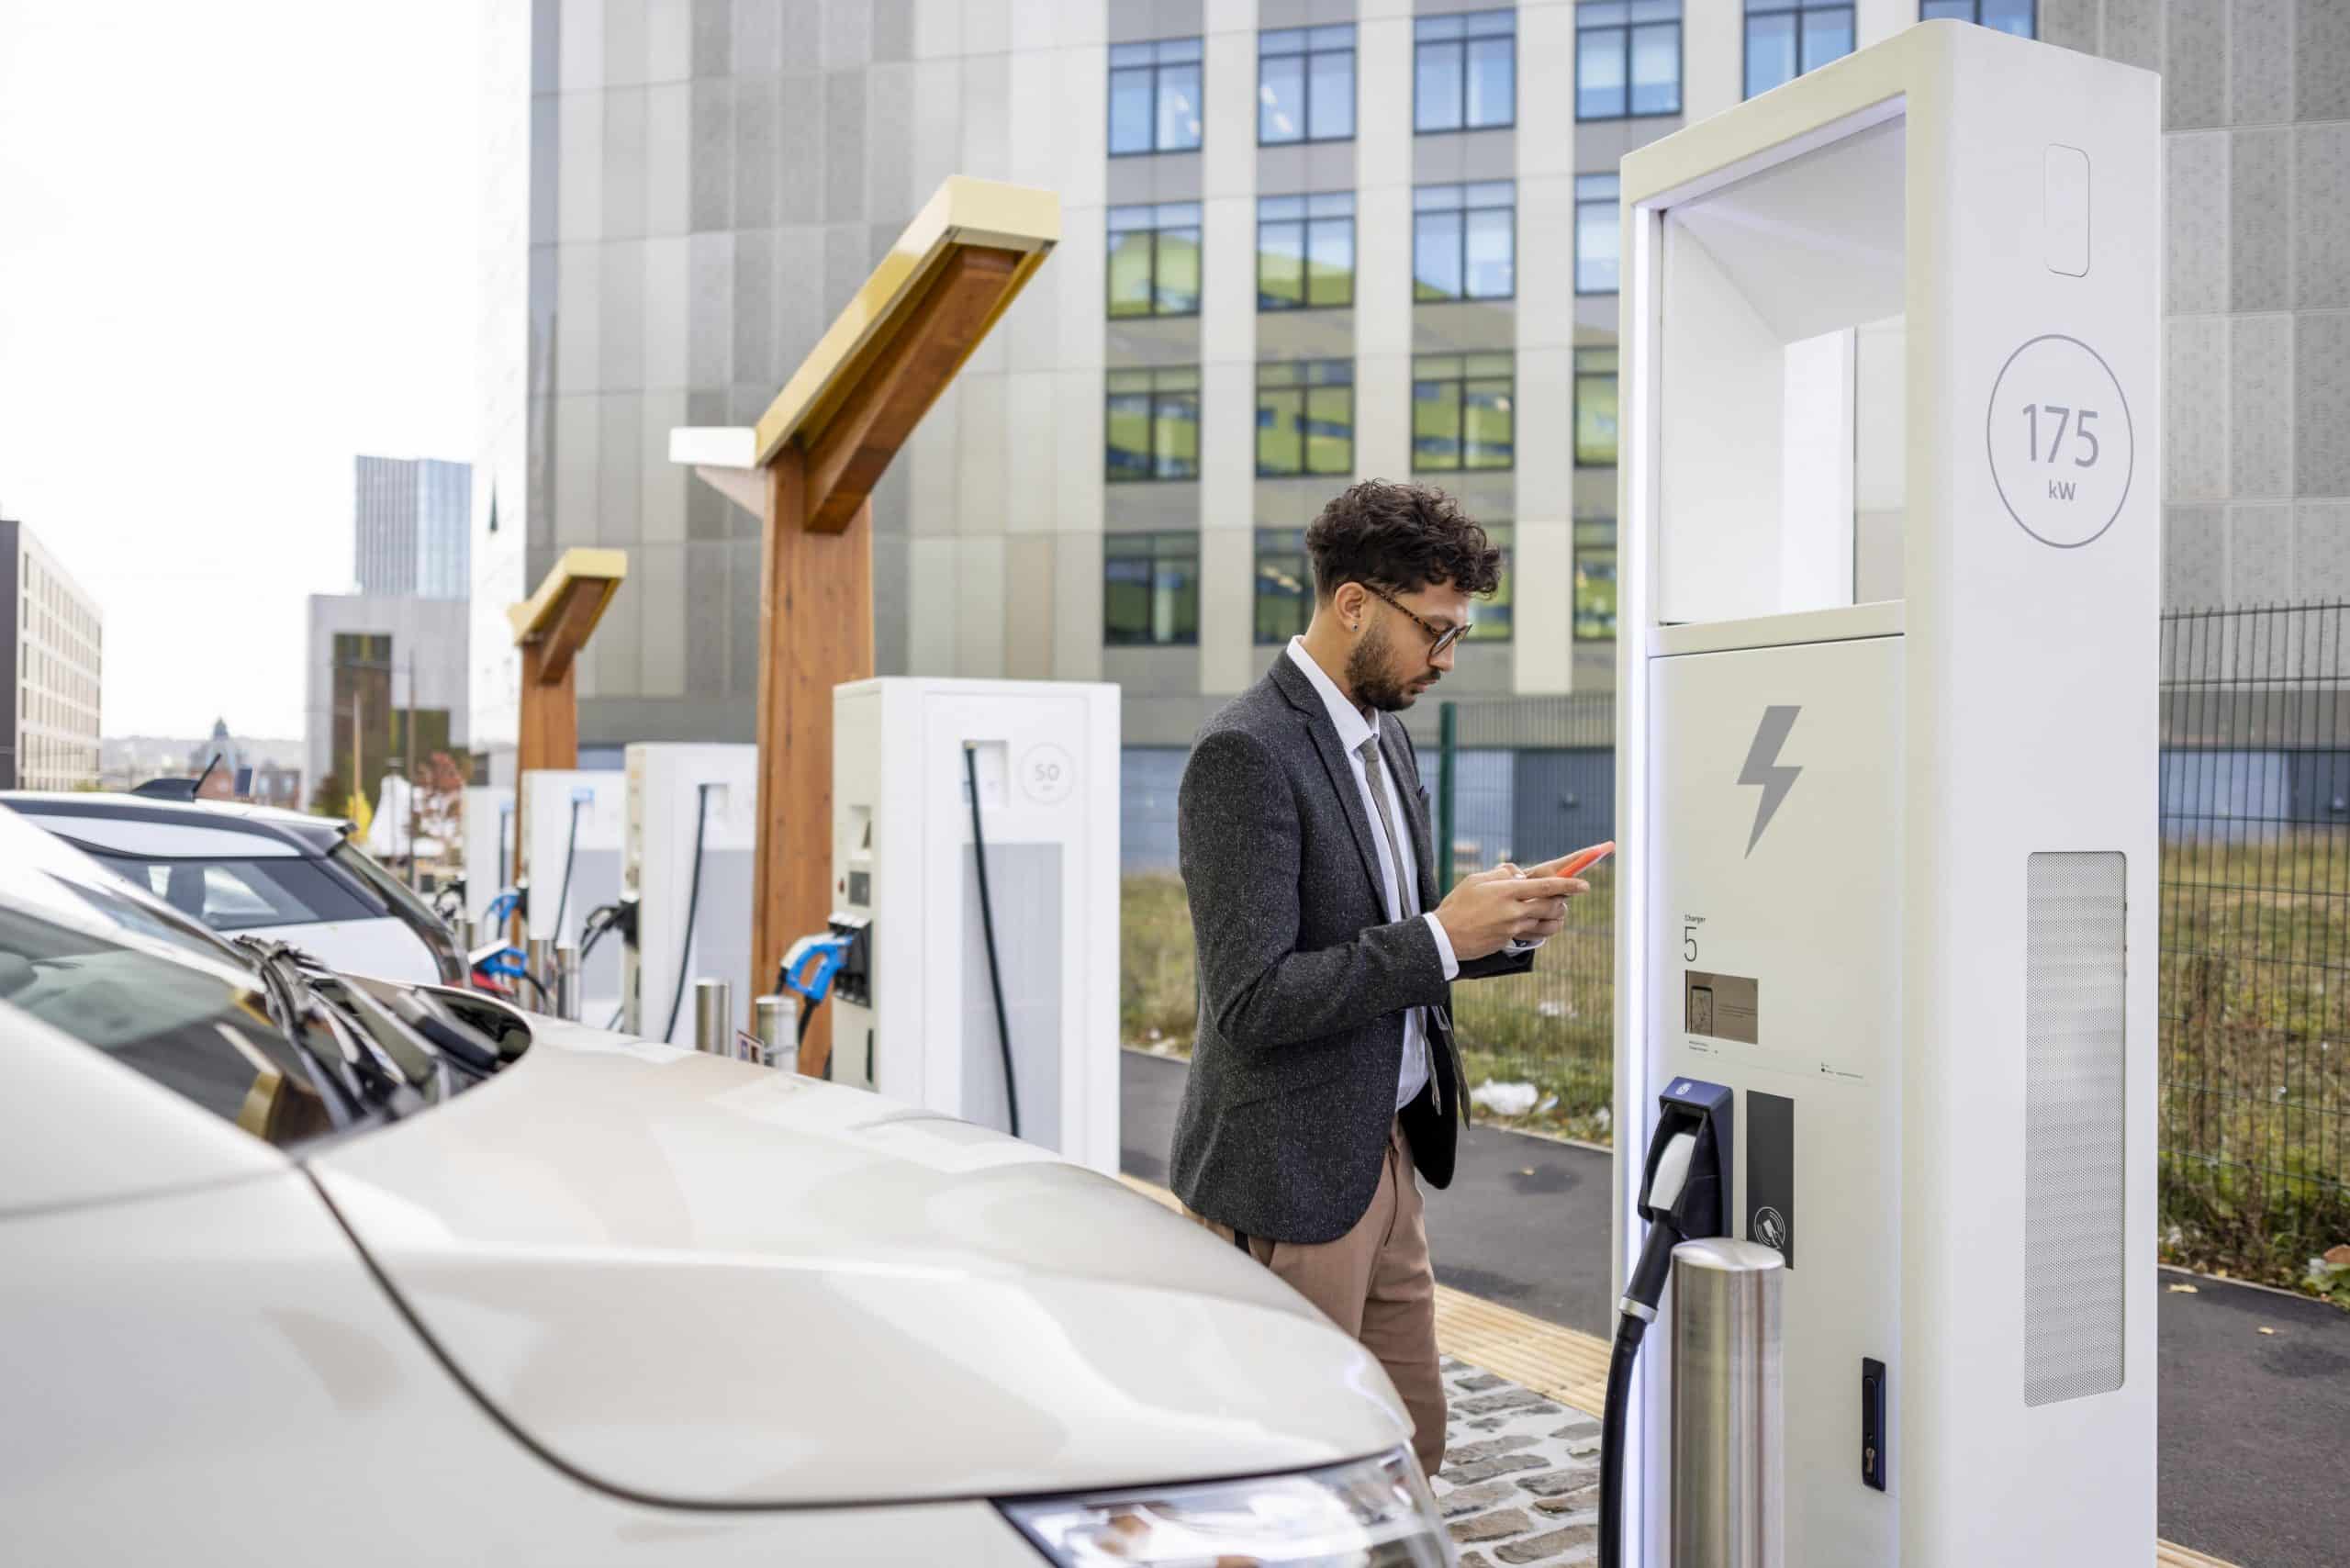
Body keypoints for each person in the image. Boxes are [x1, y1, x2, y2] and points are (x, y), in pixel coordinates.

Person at [1169, 479, 1593, 1480]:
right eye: (1434, 631)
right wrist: (1442, 939)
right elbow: (1253, 1000)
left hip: (1388, 1149)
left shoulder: (1382, 732)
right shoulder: (1245, 752)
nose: (1445, 659)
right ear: (1354, 603)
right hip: (1288, 1178)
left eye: (1458, 634)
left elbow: (1387, 939)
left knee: (1410, 1447)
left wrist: (1493, 927)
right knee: (1296, 1471)